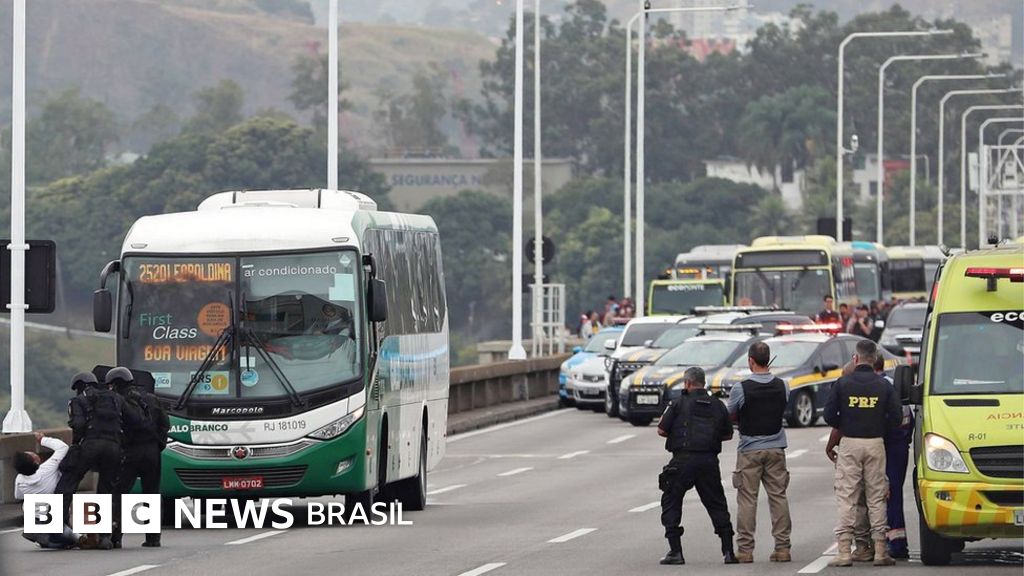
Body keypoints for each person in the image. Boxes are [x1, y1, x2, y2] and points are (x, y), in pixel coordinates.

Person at [823, 340, 902, 567]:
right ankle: (880, 550)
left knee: (847, 496)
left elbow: (829, 415)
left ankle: (844, 551)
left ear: (855, 358)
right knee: (876, 497)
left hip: (849, 443)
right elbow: (897, 417)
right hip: (875, 443)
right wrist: (879, 425)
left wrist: (847, 422)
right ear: (875, 359)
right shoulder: (884, 386)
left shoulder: (842, 383)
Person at [656, 367, 738, 566]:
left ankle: (676, 552)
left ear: (687, 383)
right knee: (717, 504)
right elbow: (728, 434)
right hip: (709, 461)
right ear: (703, 383)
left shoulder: (678, 403)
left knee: (671, 501)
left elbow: (661, 430)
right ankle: (728, 552)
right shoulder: (717, 405)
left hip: (682, 461)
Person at [727, 342, 793, 563]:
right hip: (776, 448)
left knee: (747, 500)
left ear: (751, 361)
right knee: (778, 497)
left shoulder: (741, 388)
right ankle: (782, 548)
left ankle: (745, 551)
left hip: (749, 449)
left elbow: (730, 414)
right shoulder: (783, 385)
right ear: (768, 360)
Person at [54, 367, 126, 550]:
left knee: (69, 482)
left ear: (79, 386)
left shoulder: (78, 400)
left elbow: (78, 424)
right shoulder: (116, 398)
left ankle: (58, 528)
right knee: (106, 490)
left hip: (90, 445)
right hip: (114, 447)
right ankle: (105, 537)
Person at [111, 367, 170, 548]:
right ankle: (153, 538)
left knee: (119, 493)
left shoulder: (118, 400)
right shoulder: (151, 398)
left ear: (116, 384)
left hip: (130, 451)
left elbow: (115, 427)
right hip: (152, 451)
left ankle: (115, 537)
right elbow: (165, 423)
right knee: (152, 493)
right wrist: (158, 444)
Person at [13, 433, 82, 549]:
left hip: (34, 514)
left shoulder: (19, 479)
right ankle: (56, 537)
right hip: (53, 513)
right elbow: (62, 447)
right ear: (36, 461)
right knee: (73, 538)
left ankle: (40, 533)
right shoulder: (48, 469)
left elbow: (18, 496)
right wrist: (42, 440)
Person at [875, 355, 913, 559]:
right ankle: (897, 542)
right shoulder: (894, 385)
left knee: (879, 494)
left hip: (883, 445)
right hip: (899, 445)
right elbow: (908, 419)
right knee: (894, 493)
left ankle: (887, 543)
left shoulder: (876, 387)